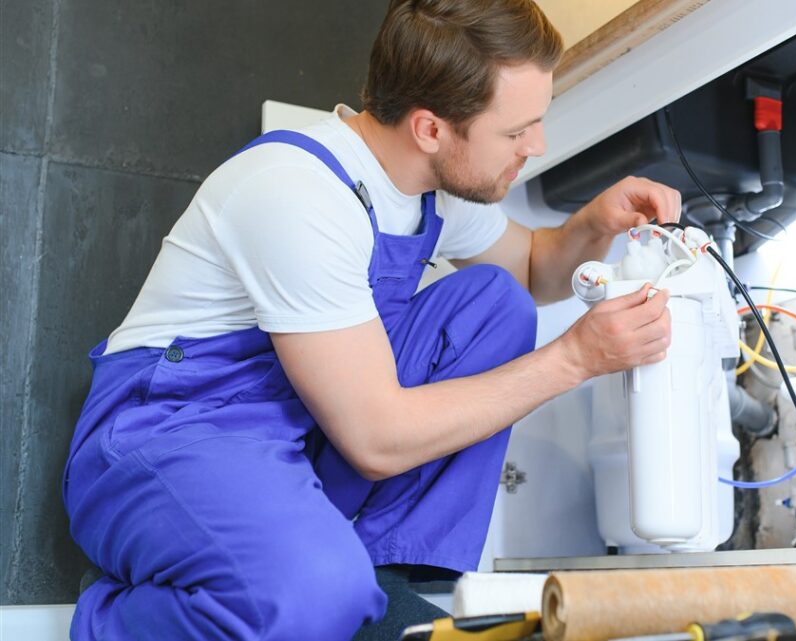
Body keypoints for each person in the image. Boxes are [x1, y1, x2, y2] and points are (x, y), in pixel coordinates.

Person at [62, 1, 680, 640]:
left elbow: (531, 268)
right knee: (314, 597)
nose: (537, 145)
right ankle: (122, 617)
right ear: (430, 129)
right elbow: (375, 440)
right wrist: (574, 359)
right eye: (517, 131)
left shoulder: (422, 184)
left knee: (492, 305)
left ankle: (383, 583)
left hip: (291, 430)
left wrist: (594, 223)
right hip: (166, 437)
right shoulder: (298, 193)